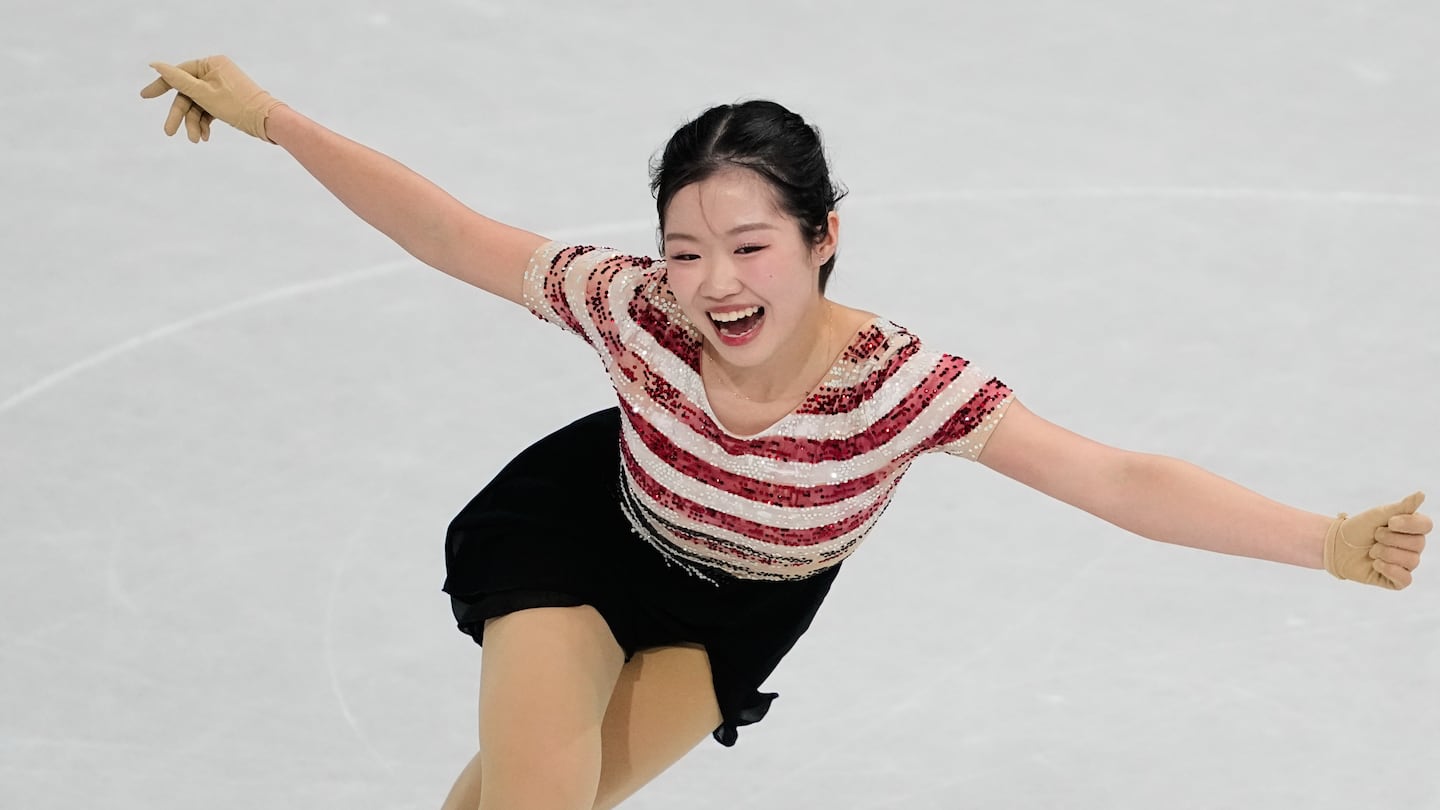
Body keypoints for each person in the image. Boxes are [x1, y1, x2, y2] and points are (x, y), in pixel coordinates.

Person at [141, 55, 1430, 810]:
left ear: (822, 241)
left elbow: (1111, 475)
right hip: (585, 544)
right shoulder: (631, 306)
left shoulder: (898, 384)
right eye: (686, 249)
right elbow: (453, 234)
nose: (713, 282)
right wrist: (280, 122)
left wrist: (1319, 539)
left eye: (750, 246)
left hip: (745, 608)